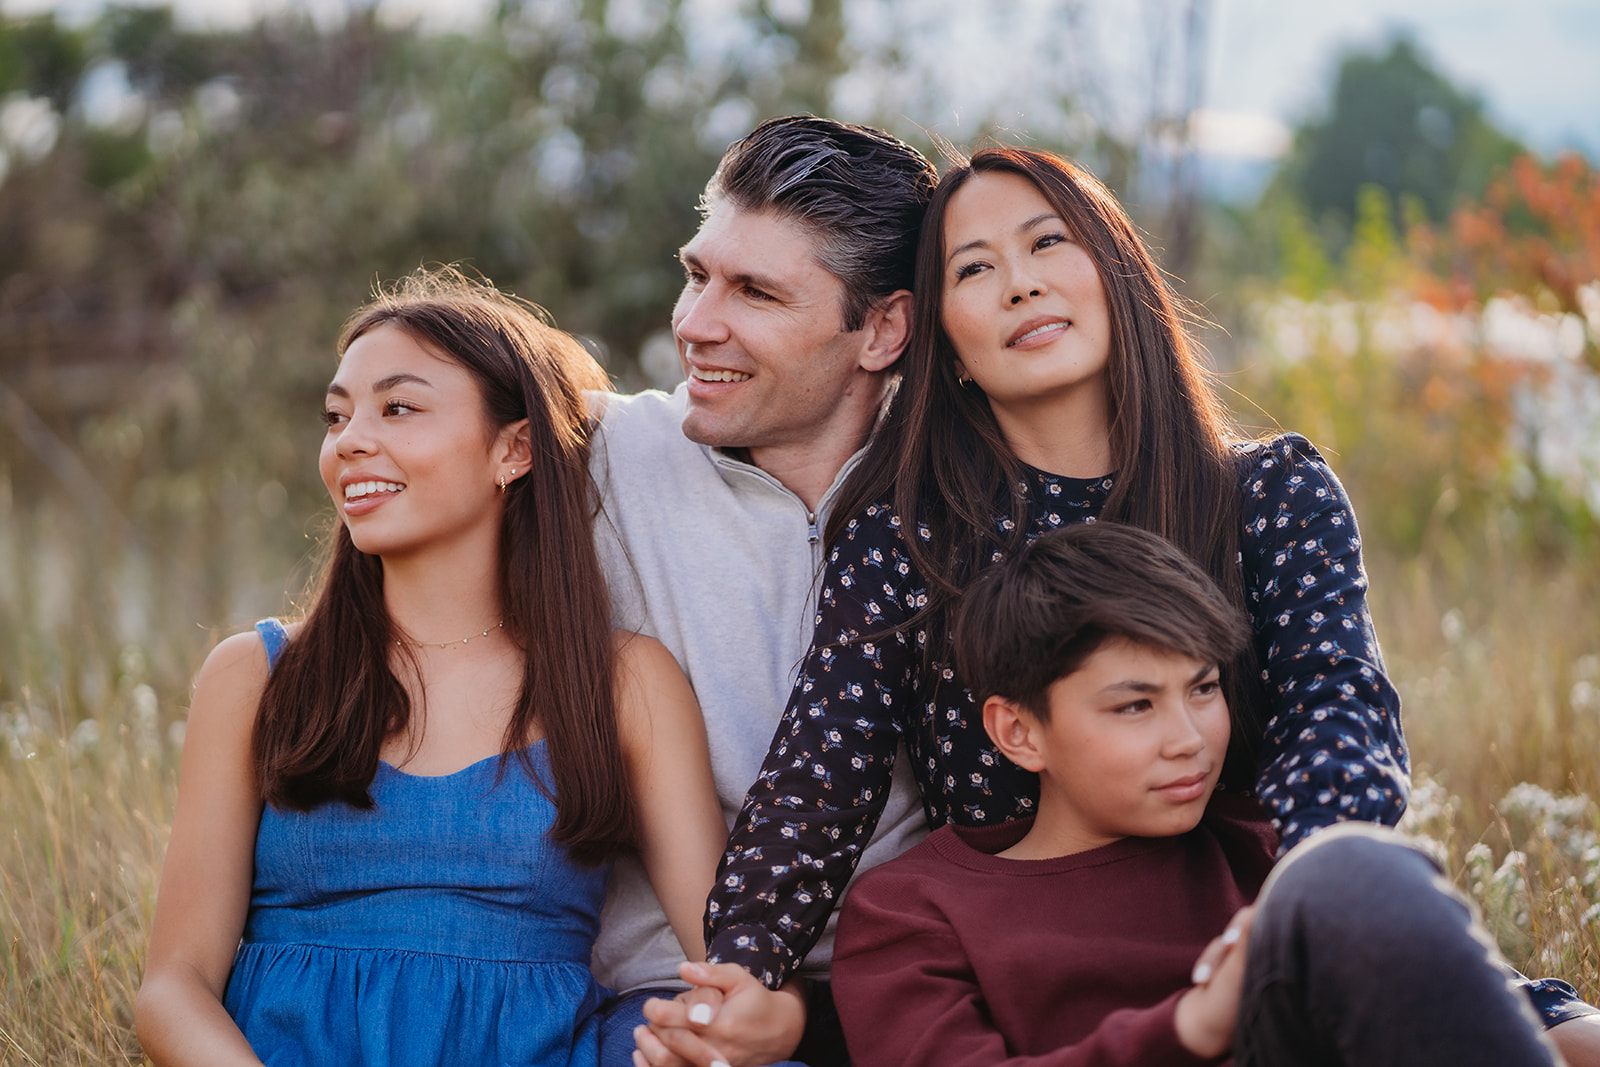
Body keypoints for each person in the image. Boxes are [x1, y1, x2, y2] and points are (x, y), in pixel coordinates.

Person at [646, 146, 1599, 1063]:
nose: (1021, 283)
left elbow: (1337, 711)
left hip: (1267, 915)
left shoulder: (1267, 495)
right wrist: (746, 966)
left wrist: (1296, 907)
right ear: (946, 340)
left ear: (1119, 274)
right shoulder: (912, 536)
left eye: (1049, 242)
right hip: (1046, 963)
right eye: (975, 269)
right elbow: (823, 771)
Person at [134, 268, 727, 1067]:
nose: (349, 440)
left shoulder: (624, 682)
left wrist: (765, 1015)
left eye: (398, 407)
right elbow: (174, 984)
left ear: (513, 449)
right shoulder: (257, 675)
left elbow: (727, 968)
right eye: (337, 415)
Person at [831, 520, 1562, 1066]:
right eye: (1135, 704)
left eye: (1204, 688)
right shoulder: (913, 910)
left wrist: (1557, 1018)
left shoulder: (1263, 846)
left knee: (1356, 867)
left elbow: (1442, 996)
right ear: (1018, 732)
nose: (1190, 738)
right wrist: (1193, 1023)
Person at [585, 115, 939, 1067]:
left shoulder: (962, 502)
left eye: (756, 292)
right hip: (671, 996)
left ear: (883, 330)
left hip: (919, 989)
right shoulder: (602, 462)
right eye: (698, 274)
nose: (696, 325)